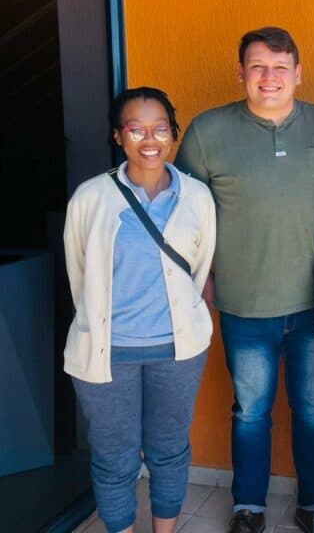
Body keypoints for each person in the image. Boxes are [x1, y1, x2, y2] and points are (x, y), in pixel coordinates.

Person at [174, 27, 314, 533]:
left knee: (313, 408)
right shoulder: (208, 133)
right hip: (244, 305)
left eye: (278, 67)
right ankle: (248, 505)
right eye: (257, 67)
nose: (268, 77)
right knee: (250, 411)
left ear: (298, 72)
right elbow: (185, 214)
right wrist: (202, 277)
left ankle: (313, 503)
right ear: (241, 74)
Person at [64, 87, 216, 533]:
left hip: (177, 350)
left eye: (160, 128)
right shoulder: (91, 199)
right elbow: (79, 275)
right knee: (115, 458)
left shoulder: (197, 198)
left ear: (174, 134)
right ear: (118, 136)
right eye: (136, 128)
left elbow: (201, 266)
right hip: (108, 354)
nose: (149, 139)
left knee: (169, 450)